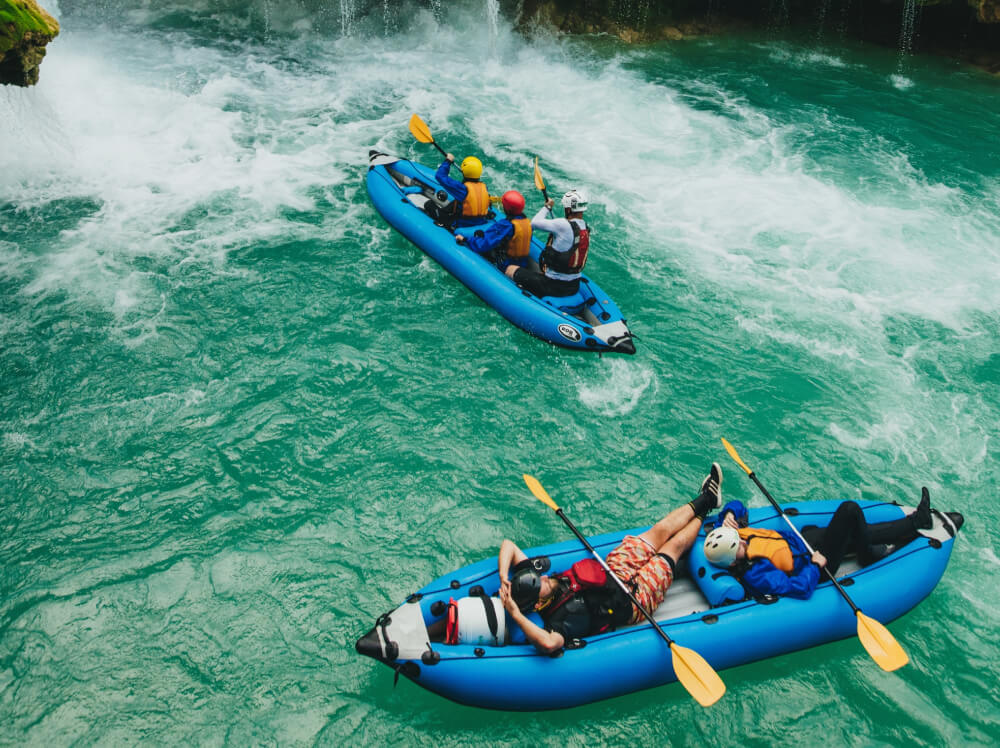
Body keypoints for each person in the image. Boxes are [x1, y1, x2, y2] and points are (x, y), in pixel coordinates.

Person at [496, 464, 724, 654]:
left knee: (660, 530)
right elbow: (549, 643)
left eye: (539, 577)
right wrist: (515, 613)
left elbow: (509, 546)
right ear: (538, 604)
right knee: (673, 548)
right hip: (635, 601)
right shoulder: (557, 621)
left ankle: (706, 498)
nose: (543, 577)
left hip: (614, 568)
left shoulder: (536, 582)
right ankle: (705, 511)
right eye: (540, 584)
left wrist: (503, 577)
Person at [702, 488, 940, 601]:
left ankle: (909, 525)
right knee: (849, 511)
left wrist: (731, 513)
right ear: (733, 560)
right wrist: (815, 566)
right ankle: (871, 552)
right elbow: (799, 588)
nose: (742, 539)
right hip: (816, 564)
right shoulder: (757, 573)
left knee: (848, 530)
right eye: (739, 544)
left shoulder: (733, 537)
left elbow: (737, 506)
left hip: (800, 542)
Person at [504, 189, 590, 298]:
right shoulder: (585, 228)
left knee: (510, 269)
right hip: (573, 286)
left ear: (568, 209)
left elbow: (534, 223)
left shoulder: (562, 225)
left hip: (553, 286)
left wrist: (547, 207)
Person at [455, 190, 535, 270]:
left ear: (507, 208)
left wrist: (466, 240)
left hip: (505, 264)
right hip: (521, 263)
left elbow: (484, 244)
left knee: (479, 234)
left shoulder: (506, 225)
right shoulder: (527, 223)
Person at [427, 153, 494, 228]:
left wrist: (448, 161)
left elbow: (440, 176)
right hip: (480, 221)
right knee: (457, 202)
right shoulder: (484, 187)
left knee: (429, 204)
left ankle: (445, 222)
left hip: (461, 224)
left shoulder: (462, 189)